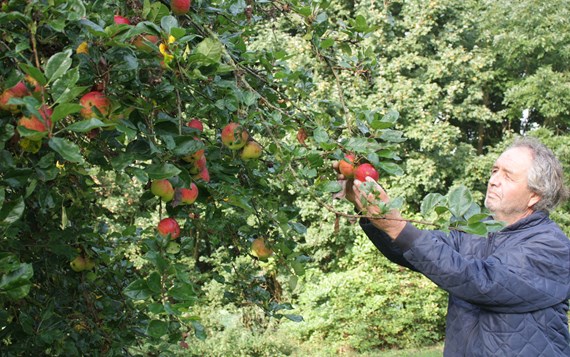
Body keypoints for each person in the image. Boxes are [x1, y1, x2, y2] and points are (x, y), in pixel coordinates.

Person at [336, 137, 570, 356]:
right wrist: (364, 206)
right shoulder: (476, 231)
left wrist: (398, 227)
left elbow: (482, 282)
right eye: (494, 170)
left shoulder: (552, 247)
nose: (493, 180)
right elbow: (412, 251)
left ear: (534, 196)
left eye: (508, 176)